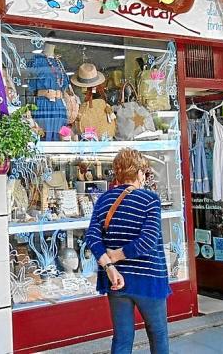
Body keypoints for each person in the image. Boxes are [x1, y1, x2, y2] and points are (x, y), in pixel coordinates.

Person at [86, 148, 171, 354]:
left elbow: (92, 238)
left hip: (116, 280)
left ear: (118, 173)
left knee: (122, 338)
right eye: (145, 173)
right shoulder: (150, 199)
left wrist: (110, 266)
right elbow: (148, 241)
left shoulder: (104, 199)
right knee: (158, 333)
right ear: (140, 173)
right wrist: (116, 255)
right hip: (148, 279)